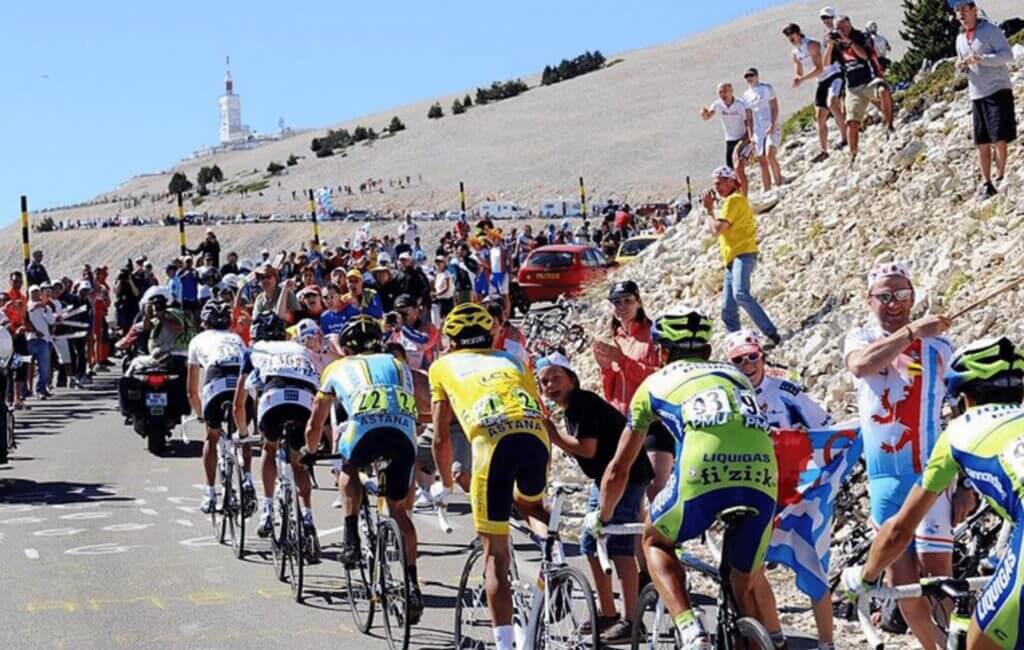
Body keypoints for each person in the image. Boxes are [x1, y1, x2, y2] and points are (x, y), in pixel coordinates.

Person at [583, 309, 778, 649]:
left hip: (702, 472)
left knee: (655, 540)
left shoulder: (652, 385)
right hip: (762, 475)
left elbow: (618, 469)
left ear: (662, 353)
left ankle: (690, 630)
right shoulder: (738, 377)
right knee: (742, 587)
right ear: (706, 351)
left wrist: (601, 517)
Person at [843, 337, 1024, 650]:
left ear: (964, 399)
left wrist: (865, 576)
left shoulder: (959, 430)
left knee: (981, 642)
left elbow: (899, 530)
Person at [843, 262, 961, 650]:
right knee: (901, 581)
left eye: (904, 295)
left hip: (929, 472)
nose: (896, 304)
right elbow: (862, 366)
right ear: (869, 300)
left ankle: (952, 643)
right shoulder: (860, 337)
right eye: (886, 296)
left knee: (938, 573)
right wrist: (911, 332)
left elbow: (964, 410)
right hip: (883, 476)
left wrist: (968, 485)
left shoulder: (939, 346)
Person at [430, 303, 551, 650]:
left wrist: (448, 483)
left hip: (491, 444)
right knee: (531, 506)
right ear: (493, 334)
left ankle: (505, 645)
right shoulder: (512, 359)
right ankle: (553, 562)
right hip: (535, 438)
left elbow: (440, 437)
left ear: (451, 342)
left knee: (495, 555)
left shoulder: (441, 366)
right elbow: (539, 411)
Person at [303, 315, 425, 624]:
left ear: (345, 348)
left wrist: (311, 450)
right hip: (403, 433)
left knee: (350, 465)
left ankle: (350, 535)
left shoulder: (335, 368)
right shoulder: (399, 364)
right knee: (399, 512)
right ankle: (412, 585)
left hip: (364, 429)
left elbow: (317, 420)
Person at [725, 329, 835, 649]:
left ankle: (827, 644)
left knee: (815, 566)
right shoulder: (726, 394)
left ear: (763, 355)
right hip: (751, 490)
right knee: (754, 567)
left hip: (795, 493)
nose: (747, 364)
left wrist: (800, 443)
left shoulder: (784, 389)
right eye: (738, 359)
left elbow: (825, 425)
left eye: (753, 356)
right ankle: (775, 639)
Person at [537, 353, 653, 643]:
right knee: (590, 543)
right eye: (544, 382)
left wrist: (552, 435)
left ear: (572, 379)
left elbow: (587, 449)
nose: (550, 385)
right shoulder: (574, 407)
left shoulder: (581, 404)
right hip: (606, 479)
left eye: (556, 378)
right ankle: (607, 612)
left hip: (625, 476)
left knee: (619, 545)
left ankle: (631, 620)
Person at [233, 312, 321, 562]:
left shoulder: (253, 350)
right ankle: (308, 517)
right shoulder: (298, 347)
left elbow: (239, 404)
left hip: (274, 397)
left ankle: (267, 510)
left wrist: (243, 434)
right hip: (305, 400)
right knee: (299, 462)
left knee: (269, 449)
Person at [187, 300, 254, 515]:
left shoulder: (197, 341)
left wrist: (201, 415)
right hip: (241, 383)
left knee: (212, 436)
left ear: (204, 323)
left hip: (216, 379)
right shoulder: (236, 338)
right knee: (243, 435)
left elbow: (191, 390)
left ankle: (209, 492)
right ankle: (248, 479)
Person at [701, 166, 780, 346]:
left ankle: (771, 333)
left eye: (719, 183)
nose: (717, 188)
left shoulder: (734, 200)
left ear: (730, 181)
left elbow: (716, 229)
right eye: (715, 185)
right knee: (728, 310)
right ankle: (738, 344)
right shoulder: (733, 201)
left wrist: (708, 210)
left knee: (740, 293)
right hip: (733, 258)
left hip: (743, 253)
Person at [954, 0, 1016, 199]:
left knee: (999, 137)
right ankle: (986, 182)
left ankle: (1001, 176)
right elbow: (962, 68)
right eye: (957, 11)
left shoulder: (990, 31)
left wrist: (983, 59)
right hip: (977, 92)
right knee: (982, 141)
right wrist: (961, 66)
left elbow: (1007, 55)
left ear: (974, 10)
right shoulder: (960, 38)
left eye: (964, 9)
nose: (961, 14)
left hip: (997, 89)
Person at [826, 15, 894, 163]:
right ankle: (853, 155)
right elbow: (826, 63)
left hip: (869, 80)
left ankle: (889, 126)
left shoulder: (861, 36)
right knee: (852, 122)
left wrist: (848, 41)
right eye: (838, 27)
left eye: (843, 26)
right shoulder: (836, 43)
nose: (841, 29)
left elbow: (864, 56)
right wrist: (831, 45)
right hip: (852, 87)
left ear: (850, 25)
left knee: (883, 91)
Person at [784, 22, 847, 162]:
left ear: (798, 32)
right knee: (819, 116)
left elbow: (820, 68)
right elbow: (799, 70)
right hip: (821, 80)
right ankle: (824, 150)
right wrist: (797, 77)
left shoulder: (812, 45)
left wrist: (803, 79)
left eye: (791, 34)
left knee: (832, 103)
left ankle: (845, 138)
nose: (790, 38)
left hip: (833, 75)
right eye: (788, 36)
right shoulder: (795, 52)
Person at [700, 82, 754, 194]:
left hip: (743, 138)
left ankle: (745, 196)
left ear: (731, 92)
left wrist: (747, 139)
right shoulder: (717, 104)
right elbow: (708, 116)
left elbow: (749, 123)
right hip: (730, 140)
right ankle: (736, 194)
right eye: (720, 92)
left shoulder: (740, 105)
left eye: (725, 91)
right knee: (731, 172)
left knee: (739, 168)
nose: (723, 94)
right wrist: (704, 114)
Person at [741, 68, 784, 192]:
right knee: (762, 160)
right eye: (747, 76)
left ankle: (778, 182)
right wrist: (751, 136)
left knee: (770, 154)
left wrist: (773, 123)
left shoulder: (767, 88)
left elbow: (774, 107)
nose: (749, 78)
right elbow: (749, 117)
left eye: (751, 75)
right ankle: (767, 189)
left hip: (770, 125)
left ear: (757, 76)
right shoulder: (746, 95)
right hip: (757, 130)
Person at [390, 294, 440, 371]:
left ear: (416, 310)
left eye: (406, 312)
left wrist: (403, 327)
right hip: (403, 373)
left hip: (424, 374)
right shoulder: (396, 330)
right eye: (399, 313)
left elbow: (423, 343)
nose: (403, 316)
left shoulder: (429, 328)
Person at [26, 285, 58, 400]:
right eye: (33, 292)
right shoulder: (27, 306)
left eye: (37, 292)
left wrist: (45, 310)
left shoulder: (46, 307)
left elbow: (51, 321)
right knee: (27, 366)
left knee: (44, 367)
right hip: (29, 339)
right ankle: (26, 390)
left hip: (43, 340)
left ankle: (41, 389)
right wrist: (37, 306)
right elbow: (27, 314)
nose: (35, 294)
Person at [432, 255, 455, 325]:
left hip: (447, 300)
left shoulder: (446, 274)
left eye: (440, 262)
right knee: (441, 319)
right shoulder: (437, 274)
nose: (438, 264)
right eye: (437, 262)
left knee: (448, 319)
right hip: (440, 300)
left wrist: (437, 294)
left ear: (444, 263)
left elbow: (446, 288)